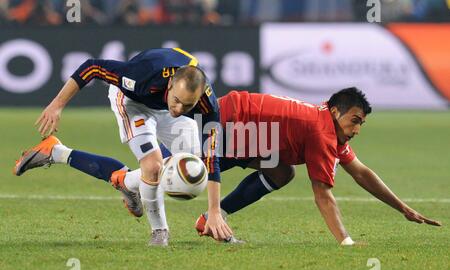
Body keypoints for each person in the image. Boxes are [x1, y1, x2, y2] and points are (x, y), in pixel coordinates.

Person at [15, 88, 441, 246]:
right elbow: (324, 194)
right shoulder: (322, 132)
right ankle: (58, 152)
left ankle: (206, 219)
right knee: (166, 179)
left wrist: (403, 209)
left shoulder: (326, 128)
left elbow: (362, 172)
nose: (357, 130)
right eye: (354, 121)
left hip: (250, 131)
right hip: (229, 122)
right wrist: (346, 242)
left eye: (361, 123)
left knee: (280, 172)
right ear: (335, 112)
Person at [15, 48, 232, 246]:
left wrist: (214, 210)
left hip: (161, 107)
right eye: (177, 100)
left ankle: (63, 155)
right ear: (170, 84)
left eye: (188, 105)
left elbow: (211, 156)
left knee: (194, 162)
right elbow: (92, 66)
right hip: (132, 103)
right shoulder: (141, 75)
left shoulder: (206, 102)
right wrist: (57, 105)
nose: (179, 108)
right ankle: (159, 232)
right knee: (153, 166)